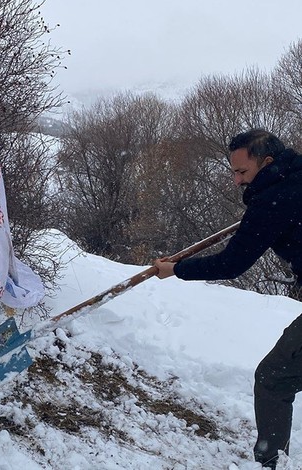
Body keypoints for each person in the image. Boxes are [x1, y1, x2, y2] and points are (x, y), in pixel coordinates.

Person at [154, 129, 302, 469]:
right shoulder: (292, 176)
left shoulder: (273, 200)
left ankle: (271, 462)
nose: (236, 181)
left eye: (242, 173)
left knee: (273, 378)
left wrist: (176, 269)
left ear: (266, 163)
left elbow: (231, 263)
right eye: (233, 172)